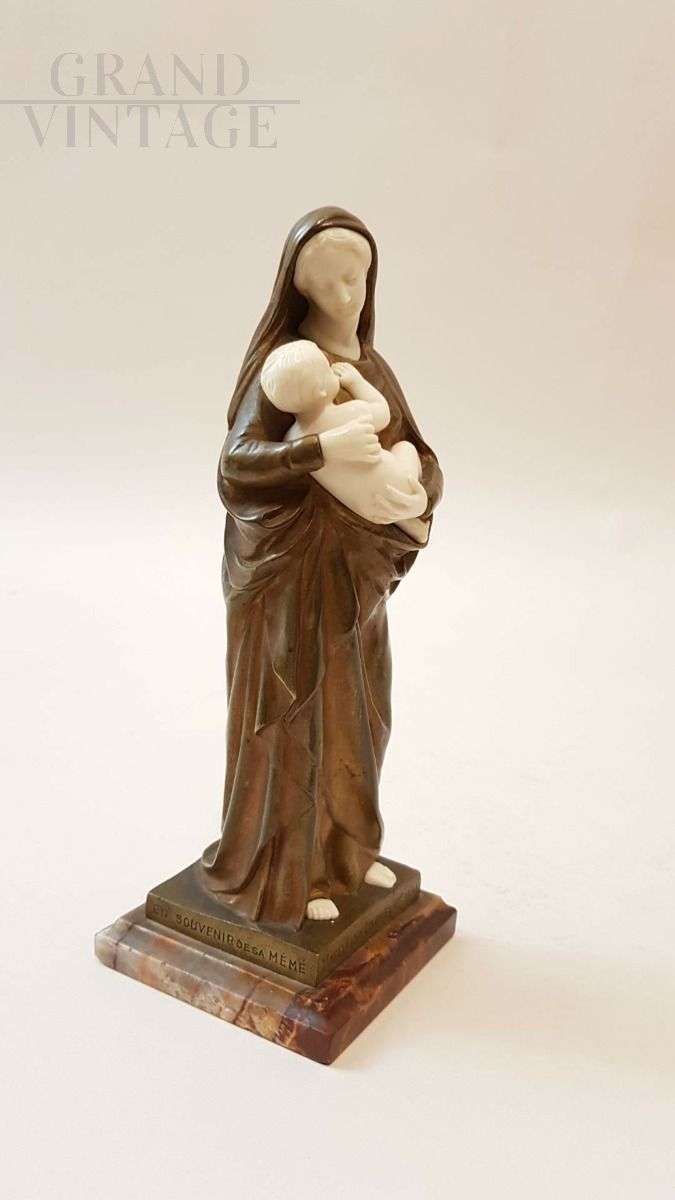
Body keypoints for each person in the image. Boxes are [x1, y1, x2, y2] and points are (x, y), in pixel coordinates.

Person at [201, 207, 443, 928]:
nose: (347, 294)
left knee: (360, 717)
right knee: (293, 722)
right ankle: (287, 877)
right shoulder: (286, 367)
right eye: (329, 282)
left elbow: (420, 450)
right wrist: (317, 453)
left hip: (355, 585)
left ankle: (346, 854)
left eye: (356, 277)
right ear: (299, 289)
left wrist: (418, 491)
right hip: (289, 585)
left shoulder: (370, 369)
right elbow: (236, 466)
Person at [260, 338, 429, 544]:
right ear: (321, 390)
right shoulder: (351, 413)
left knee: (369, 489)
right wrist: (356, 382)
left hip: (366, 508)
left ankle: (410, 524)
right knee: (405, 447)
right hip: (398, 487)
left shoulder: (292, 439)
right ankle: (412, 518)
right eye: (328, 371)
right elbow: (383, 412)